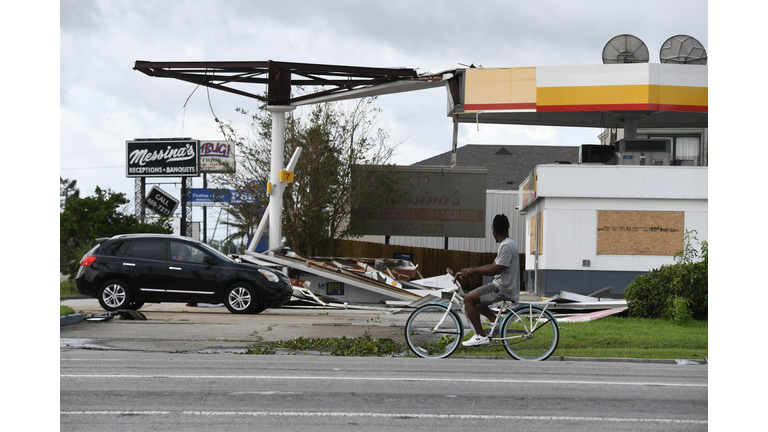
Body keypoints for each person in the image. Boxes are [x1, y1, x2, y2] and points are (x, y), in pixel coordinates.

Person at [456, 214, 520, 347]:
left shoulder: (506, 246)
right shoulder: (507, 244)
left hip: (502, 287)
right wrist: (472, 269)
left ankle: (480, 336)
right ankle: (496, 322)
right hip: (503, 285)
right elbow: (493, 265)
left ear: (494, 231)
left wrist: (473, 271)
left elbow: (496, 269)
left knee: (468, 300)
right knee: (477, 303)